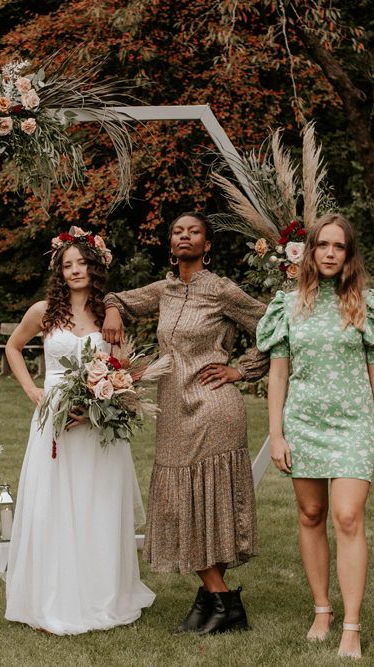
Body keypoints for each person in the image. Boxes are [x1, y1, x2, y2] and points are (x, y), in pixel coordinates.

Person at [103, 212, 269, 635]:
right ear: (170, 242)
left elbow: (272, 324)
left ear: (207, 245)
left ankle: (220, 602)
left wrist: (241, 371)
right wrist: (113, 310)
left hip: (214, 408)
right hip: (173, 415)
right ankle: (218, 600)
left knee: (198, 502)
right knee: (181, 504)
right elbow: (119, 298)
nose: (184, 236)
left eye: (193, 231)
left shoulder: (221, 289)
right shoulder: (165, 289)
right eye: (177, 231)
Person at [4, 227, 155, 635]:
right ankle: (51, 594)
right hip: (53, 419)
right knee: (53, 504)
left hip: (97, 424)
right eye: (67, 264)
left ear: (95, 266)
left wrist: (99, 405)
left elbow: (123, 367)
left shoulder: (108, 313)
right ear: (59, 270)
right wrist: (32, 389)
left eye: (82, 263)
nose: (75, 270)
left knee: (98, 503)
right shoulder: (43, 312)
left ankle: (100, 593)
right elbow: (13, 347)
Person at [257, 213, 374, 660]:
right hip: (303, 423)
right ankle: (322, 609)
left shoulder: (364, 303)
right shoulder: (288, 305)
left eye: (338, 246)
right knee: (310, 514)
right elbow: (278, 373)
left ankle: (351, 625)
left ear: (349, 254)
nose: (329, 253)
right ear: (311, 251)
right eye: (322, 245)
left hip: (353, 425)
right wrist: (277, 433)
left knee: (347, 517)